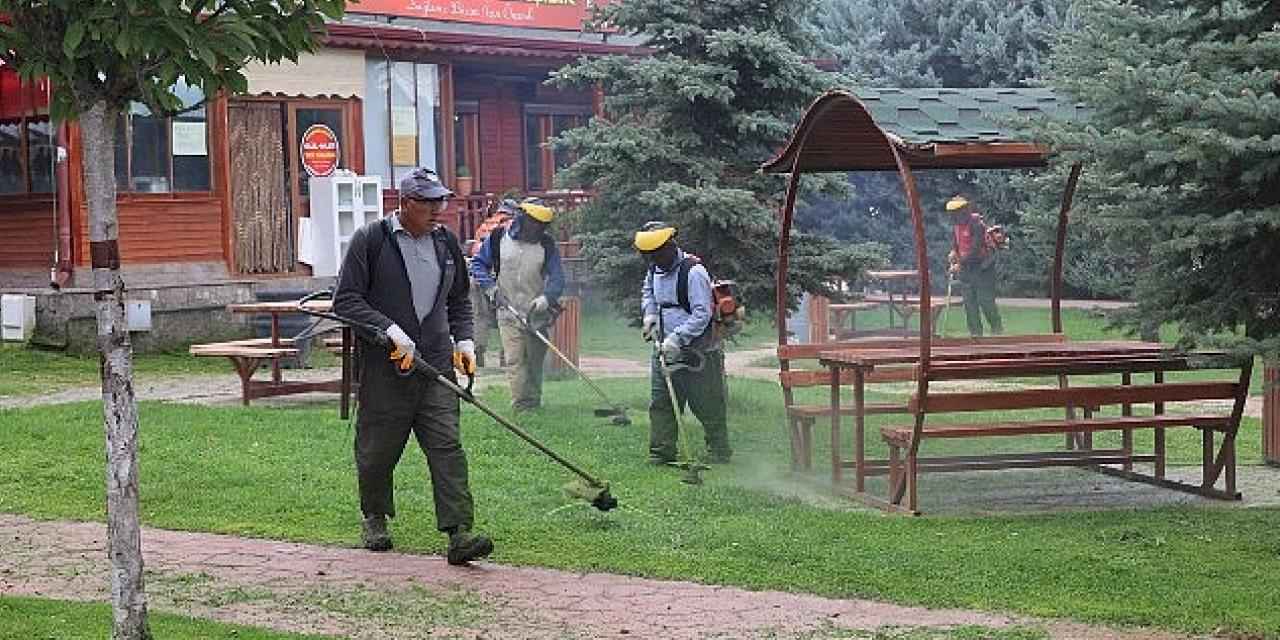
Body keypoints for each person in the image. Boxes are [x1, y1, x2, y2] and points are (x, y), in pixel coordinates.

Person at [333, 167, 493, 565]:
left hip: (436, 365)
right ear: (404, 204)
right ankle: (375, 517)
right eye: (428, 202)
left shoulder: (445, 243)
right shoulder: (371, 241)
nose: (438, 210)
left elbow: (458, 300)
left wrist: (466, 340)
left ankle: (459, 533)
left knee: (447, 446)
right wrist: (388, 329)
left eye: (440, 201)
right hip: (387, 367)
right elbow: (346, 300)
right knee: (378, 450)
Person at [634, 221, 731, 465]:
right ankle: (661, 452)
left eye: (658, 254)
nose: (655, 260)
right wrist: (650, 316)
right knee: (662, 400)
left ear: (670, 246)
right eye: (650, 256)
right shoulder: (654, 269)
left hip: (697, 349)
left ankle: (719, 450)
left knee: (706, 402)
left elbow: (702, 314)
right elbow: (649, 294)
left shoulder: (694, 272)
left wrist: (678, 338)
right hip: (664, 347)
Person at [468, 197, 565, 412]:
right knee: (515, 360)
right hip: (507, 311)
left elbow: (557, 278)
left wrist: (546, 299)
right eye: (535, 224)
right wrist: (492, 290)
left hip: (536, 313)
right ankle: (521, 405)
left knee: (533, 361)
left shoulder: (546, 245)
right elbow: (478, 265)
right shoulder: (497, 239)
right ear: (523, 219)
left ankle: (533, 401)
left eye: (542, 226)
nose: (538, 230)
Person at [465, 199, 519, 368]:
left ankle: (478, 360)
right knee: (506, 318)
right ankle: (505, 360)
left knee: (479, 318)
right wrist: (491, 287)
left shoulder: (486, 224)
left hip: (479, 275)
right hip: (486, 277)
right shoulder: (510, 228)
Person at [946, 195, 1003, 337]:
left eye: (957, 212)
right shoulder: (956, 226)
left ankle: (997, 331)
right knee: (969, 304)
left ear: (964, 210)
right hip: (967, 270)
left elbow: (975, 250)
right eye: (952, 213)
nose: (955, 216)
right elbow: (957, 244)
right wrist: (953, 253)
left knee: (985, 301)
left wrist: (959, 264)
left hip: (983, 268)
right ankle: (975, 335)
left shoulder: (977, 225)